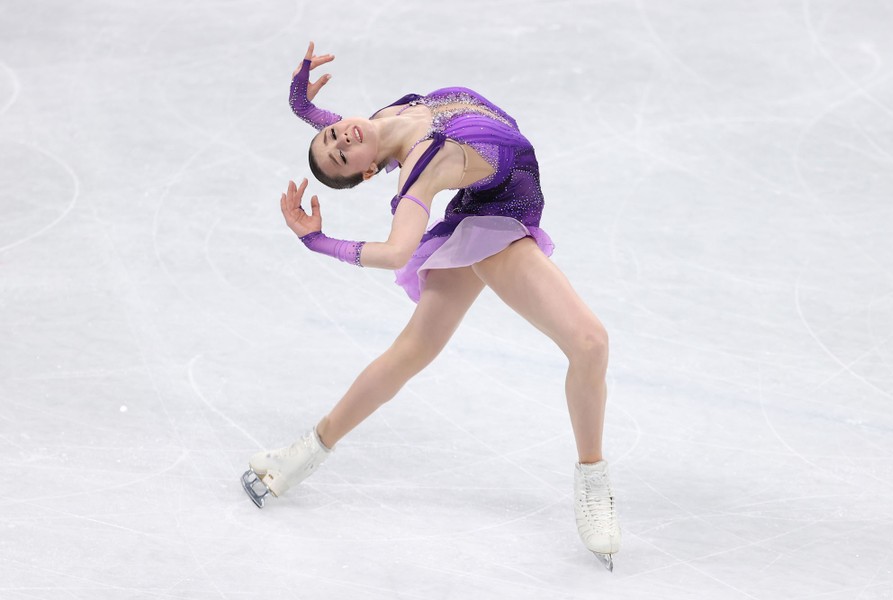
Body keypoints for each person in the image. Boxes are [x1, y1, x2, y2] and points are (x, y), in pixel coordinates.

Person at [241, 42, 622, 569]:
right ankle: (592, 480)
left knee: (412, 351)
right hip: (497, 218)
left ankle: (301, 455)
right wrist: (318, 241)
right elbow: (398, 249)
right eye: (340, 152)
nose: (341, 136)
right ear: (370, 172)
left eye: (333, 135)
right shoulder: (420, 168)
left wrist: (302, 108)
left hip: (487, 198)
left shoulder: (382, 122)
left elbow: (343, 129)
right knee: (590, 343)